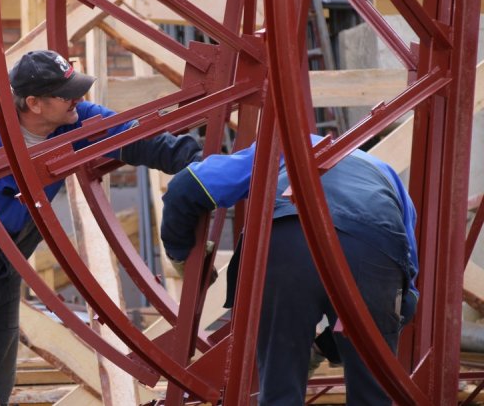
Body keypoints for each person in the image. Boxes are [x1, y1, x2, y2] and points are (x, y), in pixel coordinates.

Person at [0, 49, 203, 405]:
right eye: (66, 94)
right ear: (33, 103)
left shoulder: (74, 120)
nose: (78, 99)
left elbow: (131, 137)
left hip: (2, 267)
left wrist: (200, 163)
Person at [160, 136, 418, 406]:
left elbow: (187, 187)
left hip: (288, 238)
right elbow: (406, 299)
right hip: (375, 247)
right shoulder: (387, 175)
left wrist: (183, 254)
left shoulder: (282, 148)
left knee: (279, 392)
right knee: (373, 394)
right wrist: (324, 348)